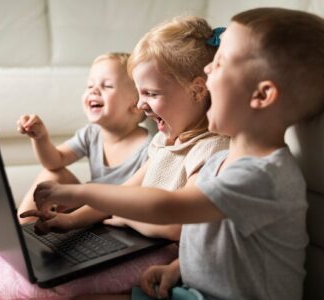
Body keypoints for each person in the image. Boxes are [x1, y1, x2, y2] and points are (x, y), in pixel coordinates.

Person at [25, 7, 324, 300]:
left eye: (219, 64)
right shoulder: (223, 160)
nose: (206, 70)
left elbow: (168, 208)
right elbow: (226, 244)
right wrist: (179, 269)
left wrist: (82, 194)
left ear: (261, 95)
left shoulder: (262, 176)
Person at [0, 15, 229, 300]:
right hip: (134, 241)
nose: (140, 104)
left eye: (151, 93)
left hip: (166, 254)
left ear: (197, 90)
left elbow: (177, 226)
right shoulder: (164, 141)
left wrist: (122, 213)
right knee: (40, 260)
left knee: (48, 288)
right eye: (138, 93)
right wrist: (72, 222)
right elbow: (123, 192)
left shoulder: (212, 150)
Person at [16, 52, 152, 224]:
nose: (94, 90)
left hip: (116, 217)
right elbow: (54, 161)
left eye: (107, 86)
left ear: (136, 104)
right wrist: (40, 138)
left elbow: (140, 199)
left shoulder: (149, 148)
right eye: (90, 86)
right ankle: (22, 233)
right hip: (86, 206)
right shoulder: (91, 133)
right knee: (53, 173)